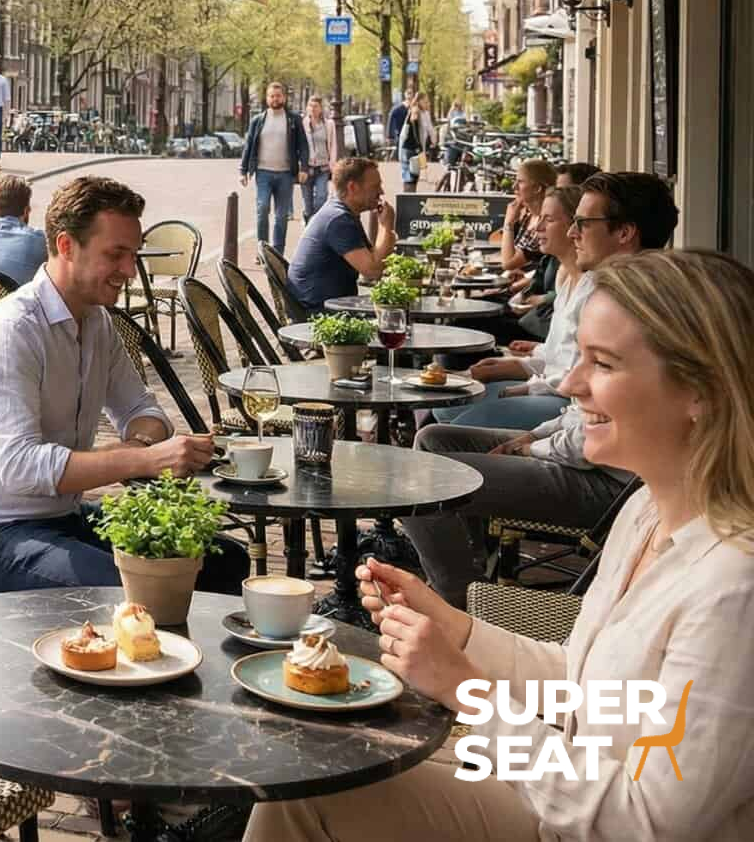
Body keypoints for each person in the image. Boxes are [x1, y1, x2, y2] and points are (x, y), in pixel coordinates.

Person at [250, 249, 754, 841]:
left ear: (700, 391)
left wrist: (468, 691)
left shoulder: (733, 590)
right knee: (309, 767)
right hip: (567, 779)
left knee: (308, 795)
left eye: (604, 364)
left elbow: (647, 820)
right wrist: (454, 628)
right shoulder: (648, 511)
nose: (570, 384)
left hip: (585, 819)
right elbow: (583, 683)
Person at [0, 176, 249, 594]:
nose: (130, 271)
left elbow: (144, 410)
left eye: (133, 255)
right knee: (138, 591)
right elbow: (22, 467)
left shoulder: (97, 320)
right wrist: (144, 459)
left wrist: (139, 447)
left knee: (223, 562)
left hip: (60, 518)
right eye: (116, 255)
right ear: (66, 246)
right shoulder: (12, 330)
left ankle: (188, 657)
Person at [401, 170, 679, 606]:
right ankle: (476, 575)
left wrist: (533, 448)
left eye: (583, 223)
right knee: (434, 437)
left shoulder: (636, 312)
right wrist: (536, 435)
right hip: (581, 454)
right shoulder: (611, 294)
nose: (572, 233)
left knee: (417, 477)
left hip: (607, 483)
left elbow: (601, 437)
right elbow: (580, 404)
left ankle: (457, 604)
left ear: (625, 233)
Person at [430, 185, 583, 429]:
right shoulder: (567, 278)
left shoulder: (593, 287)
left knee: (445, 426)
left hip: (565, 402)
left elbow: (576, 375)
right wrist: (511, 366)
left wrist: (523, 384)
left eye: (549, 219)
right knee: (443, 406)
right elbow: (557, 355)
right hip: (547, 385)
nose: (536, 227)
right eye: (539, 218)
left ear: (576, 228)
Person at [286, 157, 396, 312]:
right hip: (319, 314)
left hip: (330, 306)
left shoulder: (345, 213)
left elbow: (375, 257)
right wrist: (386, 225)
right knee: (396, 319)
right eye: (375, 186)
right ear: (353, 187)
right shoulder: (338, 219)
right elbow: (372, 271)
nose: (381, 192)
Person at [239, 82, 309, 250]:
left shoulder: (293, 119)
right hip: (263, 173)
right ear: (267, 98)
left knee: (281, 215)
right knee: (262, 208)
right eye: (272, 96)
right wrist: (243, 170)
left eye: (278, 95)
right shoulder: (258, 120)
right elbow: (249, 145)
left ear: (283, 97)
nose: (275, 99)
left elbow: (303, 145)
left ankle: (277, 253)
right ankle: (262, 249)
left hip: (285, 174)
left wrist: (304, 168)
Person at [497, 159, 557, 275]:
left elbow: (508, 263)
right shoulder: (527, 216)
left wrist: (508, 223)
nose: (514, 187)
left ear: (537, 188)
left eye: (520, 182)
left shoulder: (543, 224)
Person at [300, 94, 340, 220]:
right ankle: (307, 218)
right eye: (310, 106)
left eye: (315, 106)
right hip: (307, 168)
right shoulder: (302, 124)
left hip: (322, 168)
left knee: (321, 197)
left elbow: (333, 145)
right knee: (308, 203)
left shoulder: (329, 124)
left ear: (321, 108)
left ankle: (315, 225)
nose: (312, 109)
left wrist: (332, 164)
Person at [396, 90, 435, 192]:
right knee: (410, 177)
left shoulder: (424, 113)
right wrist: (418, 145)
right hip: (409, 147)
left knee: (414, 176)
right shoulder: (415, 110)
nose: (428, 104)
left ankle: (410, 198)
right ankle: (407, 200)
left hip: (415, 148)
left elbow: (429, 128)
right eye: (425, 102)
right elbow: (413, 128)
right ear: (419, 101)